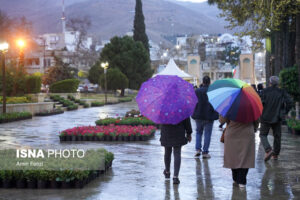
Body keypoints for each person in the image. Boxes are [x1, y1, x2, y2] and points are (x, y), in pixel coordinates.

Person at [259, 76, 293, 161]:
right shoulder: (281, 92)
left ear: (270, 83)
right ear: (278, 83)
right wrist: (284, 112)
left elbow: (260, 103)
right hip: (278, 117)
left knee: (263, 134)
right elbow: (290, 102)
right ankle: (275, 155)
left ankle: (268, 149)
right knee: (277, 136)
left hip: (265, 117)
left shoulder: (264, 91)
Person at [219, 115, 257, 188]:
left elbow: (222, 120)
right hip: (247, 133)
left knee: (233, 156)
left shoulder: (229, 105)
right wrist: (254, 127)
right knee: (245, 157)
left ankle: (235, 177)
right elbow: (256, 120)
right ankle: (242, 180)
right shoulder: (251, 106)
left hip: (232, 133)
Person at [192, 76, 219, 158]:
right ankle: (205, 152)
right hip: (209, 116)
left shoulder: (197, 91)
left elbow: (194, 103)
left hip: (198, 115)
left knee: (198, 132)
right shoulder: (213, 91)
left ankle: (198, 149)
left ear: (203, 82)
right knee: (207, 134)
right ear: (209, 82)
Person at [160, 117, 192, 184]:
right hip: (178, 132)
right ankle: (175, 177)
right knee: (177, 153)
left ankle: (167, 171)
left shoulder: (163, 107)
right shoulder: (182, 107)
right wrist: (189, 133)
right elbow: (186, 120)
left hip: (166, 131)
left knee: (167, 152)